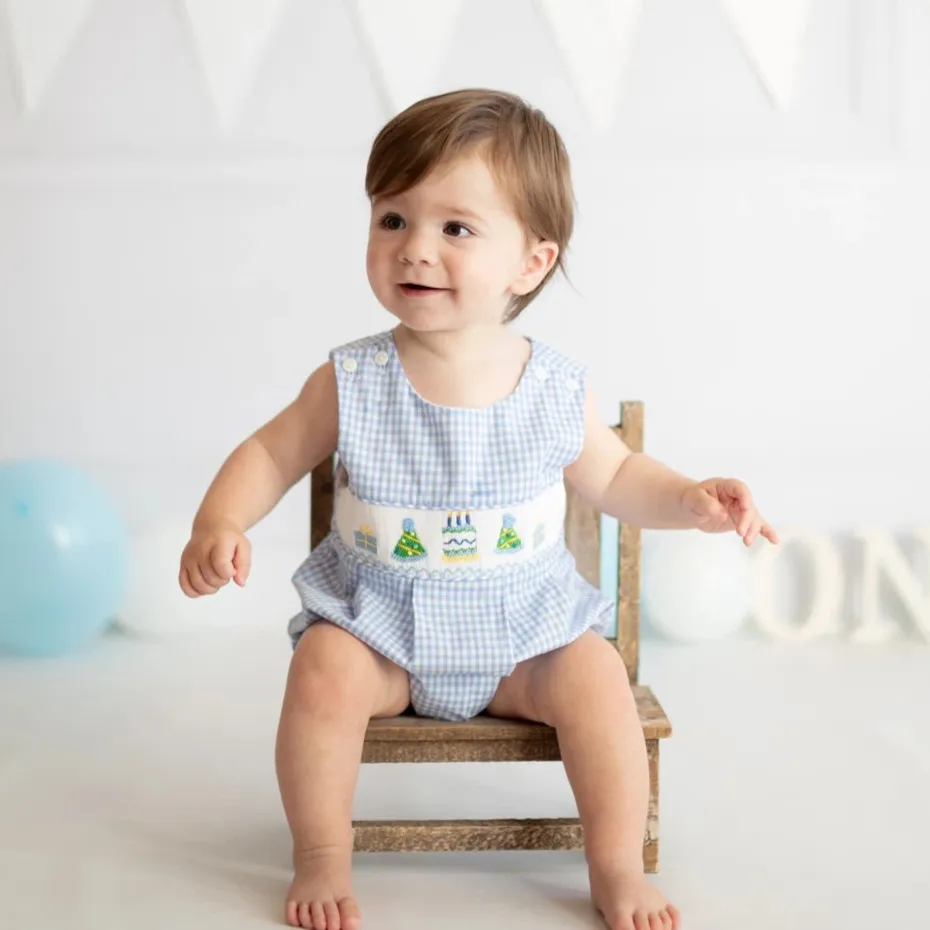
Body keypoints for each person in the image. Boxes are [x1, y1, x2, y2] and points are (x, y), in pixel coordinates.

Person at [180, 88, 777, 930]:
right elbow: (271, 453)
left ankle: (614, 866)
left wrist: (691, 498)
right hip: (378, 627)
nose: (415, 249)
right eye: (392, 219)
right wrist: (221, 521)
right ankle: (321, 852)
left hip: (522, 639)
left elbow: (617, 478)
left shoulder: (554, 388)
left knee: (598, 679)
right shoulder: (351, 380)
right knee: (320, 671)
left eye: (455, 228)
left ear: (530, 263)